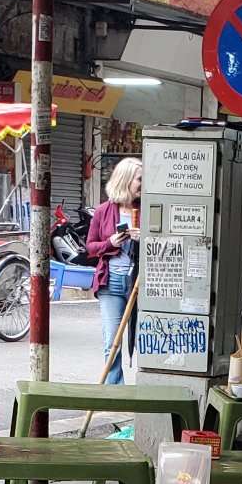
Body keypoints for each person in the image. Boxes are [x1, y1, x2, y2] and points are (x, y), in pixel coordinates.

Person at [85, 157, 143, 385]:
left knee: (144, 340)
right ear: (126, 180)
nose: (143, 184)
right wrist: (110, 243)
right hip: (111, 282)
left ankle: (146, 389)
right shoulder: (103, 211)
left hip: (140, 282)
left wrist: (144, 238)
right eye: (140, 179)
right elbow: (90, 247)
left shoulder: (148, 208)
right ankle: (116, 391)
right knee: (112, 341)